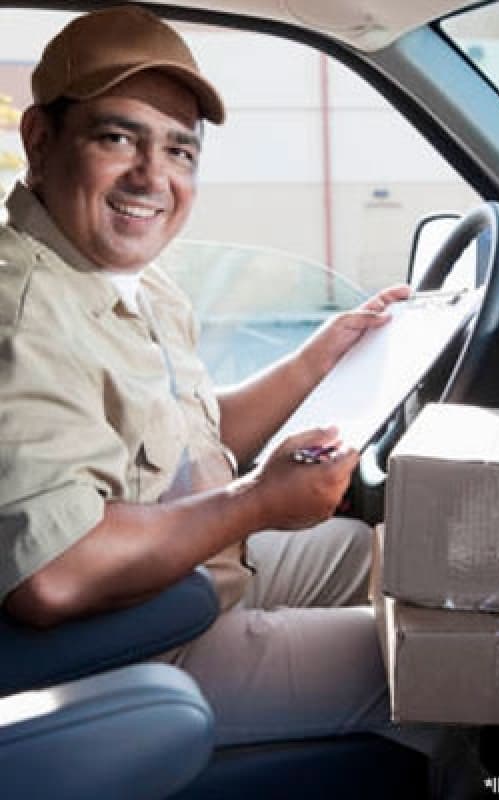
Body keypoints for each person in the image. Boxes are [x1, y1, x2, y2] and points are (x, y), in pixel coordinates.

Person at [0, 5, 411, 747]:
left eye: (180, 152)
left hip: (188, 574)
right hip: (130, 642)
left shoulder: (121, 275)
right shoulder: (22, 313)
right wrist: (256, 500)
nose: (152, 177)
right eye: (117, 137)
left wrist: (319, 357)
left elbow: (186, 436)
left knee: (385, 557)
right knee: (437, 669)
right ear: (40, 139)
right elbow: (53, 574)